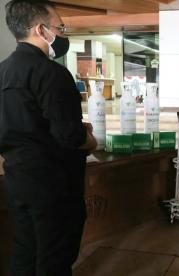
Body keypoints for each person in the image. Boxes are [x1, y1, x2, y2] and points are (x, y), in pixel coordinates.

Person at [0, 1, 97, 275]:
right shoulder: (52, 73)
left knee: (25, 247)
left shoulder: (2, 71)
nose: (63, 34)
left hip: (16, 177)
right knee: (55, 255)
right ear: (42, 30)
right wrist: (90, 139)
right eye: (61, 27)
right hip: (53, 183)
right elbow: (69, 136)